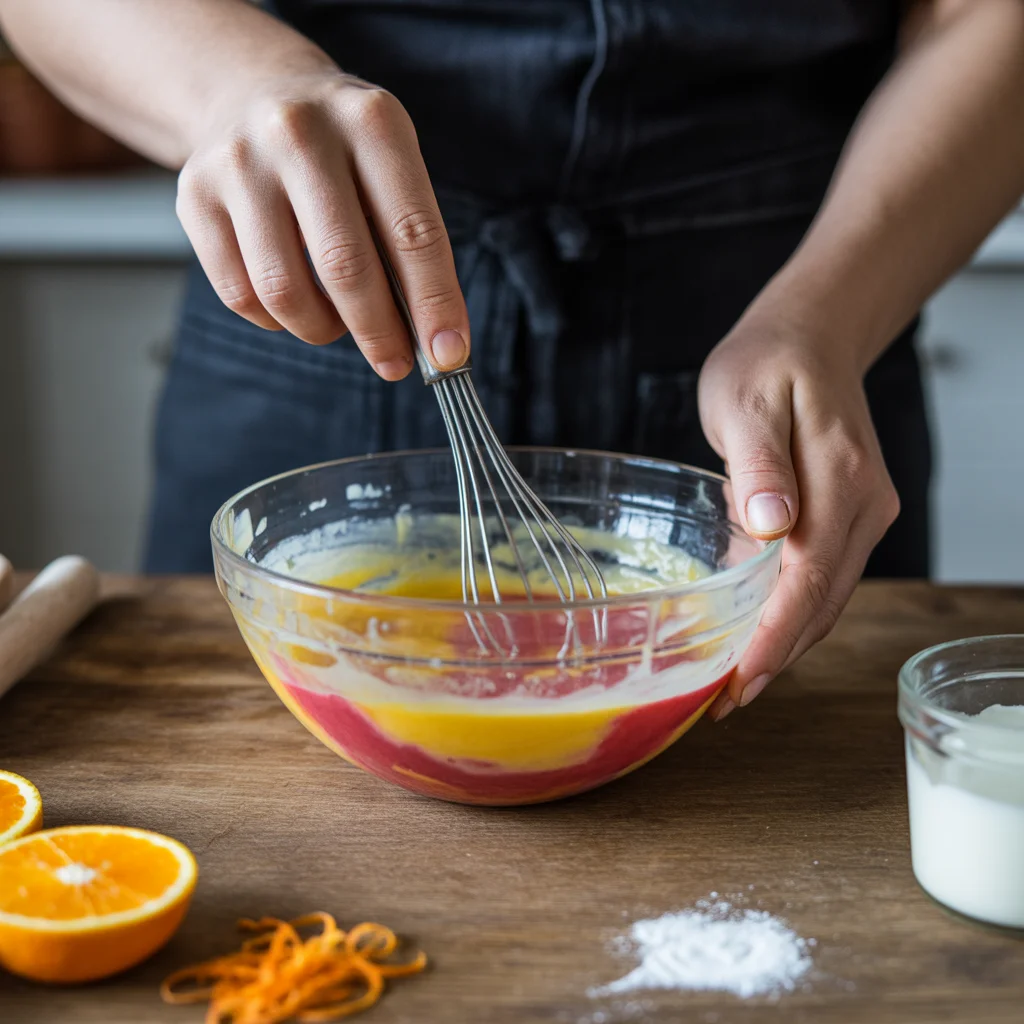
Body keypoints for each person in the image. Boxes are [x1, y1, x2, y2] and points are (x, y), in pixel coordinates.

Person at [2, 0, 1022, 721]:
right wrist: (238, 86)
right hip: (319, 298)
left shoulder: (817, 317)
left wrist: (825, 317)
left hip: (801, 300)